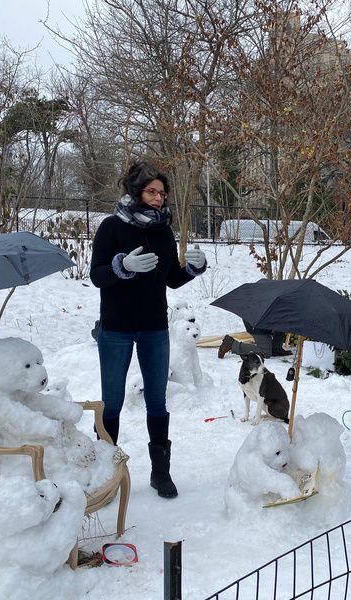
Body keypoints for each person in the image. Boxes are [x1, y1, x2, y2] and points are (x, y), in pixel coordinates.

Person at [90, 161, 207, 499]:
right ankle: (105, 475)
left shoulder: (163, 231)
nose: (159, 197)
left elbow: (171, 278)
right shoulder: (111, 227)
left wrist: (193, 270)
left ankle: (161, 473)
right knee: (111, 403)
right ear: (136, 192)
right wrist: (121, 266)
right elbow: (97, 275)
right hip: (116, 329)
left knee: (157, 401)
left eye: (162, 192)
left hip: (155, 328)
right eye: (152, 191)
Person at [218, 320, 292, 359]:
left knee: (283, 316)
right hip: (257, 324)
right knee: (265, 353)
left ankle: (276, 347)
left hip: (265, 322)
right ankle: (232, 344)